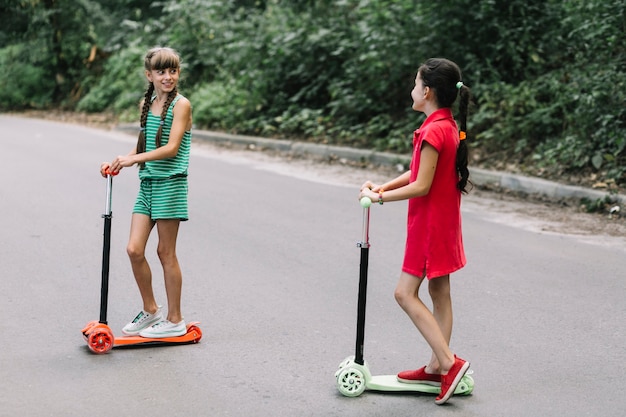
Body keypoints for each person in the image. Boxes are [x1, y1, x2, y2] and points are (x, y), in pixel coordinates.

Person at [359, 58, 471, 405]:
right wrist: (380, 188)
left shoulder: (433, 131)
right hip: (444, 222)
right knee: (440, 292)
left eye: (415, 83)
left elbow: (421, 185)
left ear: (426, 91)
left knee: (404, 294)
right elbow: (417, 172)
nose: (412, 89)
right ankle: (437, 366)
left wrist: (378, 200)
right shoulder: (445, 125)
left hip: (429, 226)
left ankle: (450, 363)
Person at [100, 46, 192, 338]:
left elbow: (171, 148)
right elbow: (145, 147)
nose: (168, 77)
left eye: (173, 70)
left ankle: (175, 320)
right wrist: (119, 161)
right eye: (161, 71)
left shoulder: (182, 105)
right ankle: (152, 311)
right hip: (148, 185)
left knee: (166, 252)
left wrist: (133, 160)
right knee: (134, 249)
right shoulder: (149, 102)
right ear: (149, 75)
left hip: (170, 184)